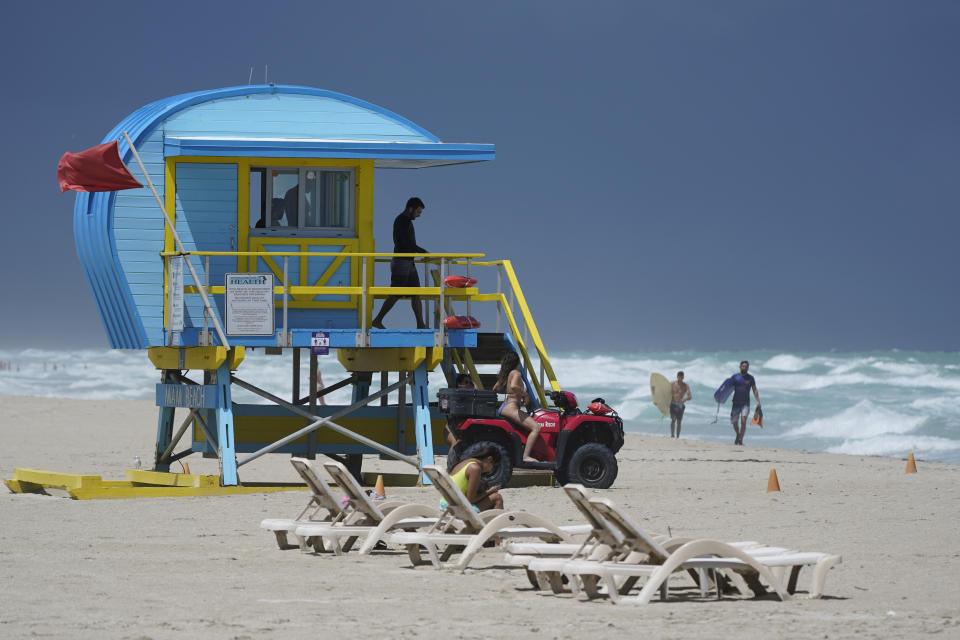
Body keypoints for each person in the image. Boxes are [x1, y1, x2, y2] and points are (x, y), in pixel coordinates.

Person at [371, 197, 428, 329]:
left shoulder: (406, 221)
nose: (419, 215)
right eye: (418, 212)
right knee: (396, 293)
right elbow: (405, 243)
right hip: (401, 261)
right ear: (410, 209)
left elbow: (409, 244)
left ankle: (421, 324)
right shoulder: (402, 221)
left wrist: (419, 251)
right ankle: (377, 320)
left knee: (415, 293)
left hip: (409, 262)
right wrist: (422, 251)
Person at [492, 352, 541, 462]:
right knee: (536, 428)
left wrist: (509, 391)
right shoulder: (516, 373)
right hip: (511, 407)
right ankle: (526, 456)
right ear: (517, 362)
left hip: (505, 405)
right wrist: (525, 395)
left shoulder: (507, 374)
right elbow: (514, 386)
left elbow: (496, 389)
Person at [448, 444, 504, 511]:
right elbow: (470, 500)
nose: (491, 470)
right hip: (459, 509)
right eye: (493, 466)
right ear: (489, 459)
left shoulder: (465, 462)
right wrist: (489, 491)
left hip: (448, 504)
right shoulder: (475, 468)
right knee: (497, 497)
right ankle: (497, 521)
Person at [729, 360, 760, 445]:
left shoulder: (750, 378)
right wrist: (720, 397)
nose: (744, 368)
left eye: (746, 366)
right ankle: (738, 434)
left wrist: (758, 401)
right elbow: (727, 388)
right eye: (743, 366)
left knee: (743, 421)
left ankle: (740, 440)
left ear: (748, 368)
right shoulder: (735, 377)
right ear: (740, 367)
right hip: (735, 403)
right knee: (734, 422)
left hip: (745, 404)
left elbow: (754, 389)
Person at [444, 373, 475, 451]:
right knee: (455, 444)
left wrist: (472, 383)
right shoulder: (455, 395)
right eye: (466, 382)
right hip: (451, 428)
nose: (469, 385)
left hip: (463, 428)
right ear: (459, 384)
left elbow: (477, 391)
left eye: (470, 383)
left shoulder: (473, 397)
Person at [669, 371, 692, 438]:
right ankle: (672, 435)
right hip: (673, 403)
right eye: (679, 377)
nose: (680, 378)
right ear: (677, 377)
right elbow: (665, 390)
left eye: (682, 377)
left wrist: (685, 399)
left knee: (679, 422)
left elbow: (690, 396)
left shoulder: (685, 386)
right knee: (673, 419)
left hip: (680, 405)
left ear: (683, 377)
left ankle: (678, 437)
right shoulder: (672, 384)